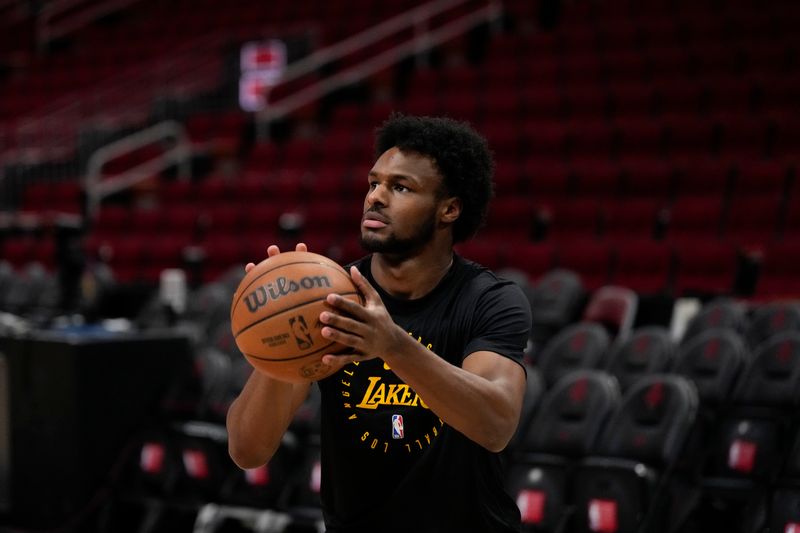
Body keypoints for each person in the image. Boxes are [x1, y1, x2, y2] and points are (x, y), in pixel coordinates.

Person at [226, 114, 531, 532]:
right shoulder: (330, 297)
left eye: (400, 187)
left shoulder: (489, 300)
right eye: (373, 183)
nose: (376, 197)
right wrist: (277, 339)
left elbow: (496, 425)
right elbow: (247, 450)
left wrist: (393, 345)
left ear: (450, 209)